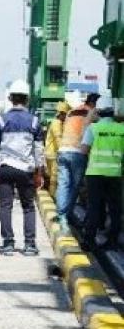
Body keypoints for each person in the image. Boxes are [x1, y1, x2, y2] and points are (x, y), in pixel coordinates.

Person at [0, 79, 44, 256]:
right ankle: (29, 245)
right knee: (28, 207)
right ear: (27, 99)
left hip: (4, 168)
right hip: (25, 170)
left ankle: (8, 244)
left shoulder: (0, 120)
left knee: (6, 206)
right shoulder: (35, 121)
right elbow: (39, 150)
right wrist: (39, 172)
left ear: (11, 98)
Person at [80, 104, 124, 250]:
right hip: (115, 174)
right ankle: (112, 241)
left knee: (94, 207)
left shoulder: (93, 128)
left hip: (95, 173)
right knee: (115, 209)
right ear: (113, 114)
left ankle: (89, 241)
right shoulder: (121, 129)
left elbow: (84, 150)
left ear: (99, 113)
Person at [56, 92, 101, 230]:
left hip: (63, 150)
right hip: (77, 152)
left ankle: (62, 215)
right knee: (75, 186)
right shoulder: (91, 114)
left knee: (63, 184)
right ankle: (65, 216)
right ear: (94, 104)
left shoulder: (71, 112)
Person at [44, 101, 70, 196]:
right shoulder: (56, 123)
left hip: (53, 154)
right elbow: (58, 139)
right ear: (62, 113)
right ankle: (53, 197)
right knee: (54, 179)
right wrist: (64, 152)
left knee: (53, 178)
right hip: (54, 154)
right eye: (66, 115)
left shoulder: (58, 123)